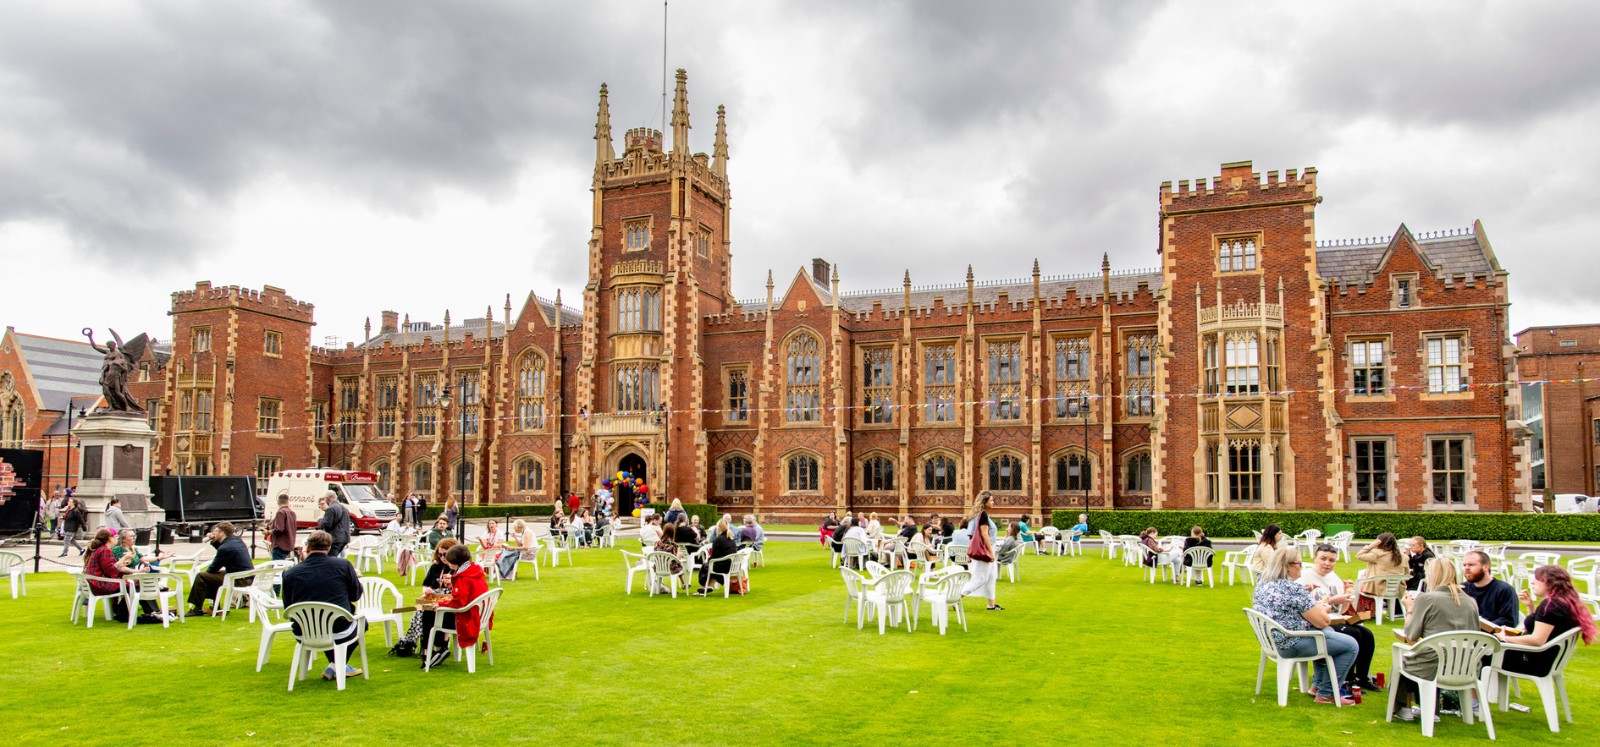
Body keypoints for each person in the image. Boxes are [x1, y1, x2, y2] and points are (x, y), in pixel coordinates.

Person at [1253, 545, 1359, 705]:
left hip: (1272, 641)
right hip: (1292, 643)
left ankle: (1317, 686)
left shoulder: (1263, 584)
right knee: (1350, 644)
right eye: (1299, 564)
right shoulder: (1293, 589)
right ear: (1287, 566)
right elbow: (1323, 620)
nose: (1301, 567)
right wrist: (1325, 606)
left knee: (1328, 632)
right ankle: (1327, 693)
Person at [1390, 558, 1480, 721]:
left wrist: (1410, 609)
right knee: (1431, 652)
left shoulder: (1427, 599)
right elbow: (1475, 635)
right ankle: (1429, 709)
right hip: (1465, 664)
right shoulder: (1470, 602)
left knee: (1408, 657)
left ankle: (1405, 707)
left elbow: (1410, 635)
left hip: (1434, 664)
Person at [280, 530, 364, 680]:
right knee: (361, 623)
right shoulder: (343, 565)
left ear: (307, 548)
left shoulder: (290, 573)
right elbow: (355, 595)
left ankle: (334, 666)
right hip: (337, 628)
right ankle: (337, 665)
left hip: (304, 629)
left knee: (329, 622)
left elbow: (288, 606)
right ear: (329, 547)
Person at [1302, 544, 1380, 693]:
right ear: (1315, 558)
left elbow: (1341, 610)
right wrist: (1331, 600)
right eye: (1323, 559)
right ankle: (1346, 679)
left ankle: (1362, 677)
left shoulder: (1334, 577)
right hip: (1318, 621)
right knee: (1353, 634)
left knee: (1367, 634)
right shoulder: (1306, 578)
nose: (1327, 563)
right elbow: (1308, 608)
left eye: (1331, 560)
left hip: (1335, 618)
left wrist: (1345, 596)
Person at [1495, 565, 1597, 677]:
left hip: (1535, 662)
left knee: (1481, 655)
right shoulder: (1563, 602)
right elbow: (1535, 629)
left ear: (1549, 583)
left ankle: (1483, 693)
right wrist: (1530, 607)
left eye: (1537, 580)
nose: (1532, 582)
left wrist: (1504, 638)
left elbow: (1538, 640)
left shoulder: (1550, 606)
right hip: (1547, 660)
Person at [426, 542, 490, 669]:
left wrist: (440, 603)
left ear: (454, 562)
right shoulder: (475, 570)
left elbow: (458, 602)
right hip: (481, 615)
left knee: (429, 614)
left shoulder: (463, 577)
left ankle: (437, 649)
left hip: (468, 617)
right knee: (435, 612)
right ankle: (438, 648)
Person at [393, 538, 460, 657]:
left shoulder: (457, 569)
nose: (442, 557)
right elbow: (425, 585)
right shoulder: (435, 567)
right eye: (440, 554)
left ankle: (430, 646)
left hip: (452, 604)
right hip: (435, 598)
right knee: (422, 611)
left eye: (445, 554)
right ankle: (427, 647)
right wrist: (427, 590)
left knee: (427, 612)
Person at [83, 528, 162, 624]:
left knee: (135, 584)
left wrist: (123, 563)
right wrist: (124, 559)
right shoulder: (105, 551)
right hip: (102, 585)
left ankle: (129, 613)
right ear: (109, 538)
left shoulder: (100, 549)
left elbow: (109, 568)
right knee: (137, 585)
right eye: (115, 536)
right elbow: (111, 570)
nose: (117, 538)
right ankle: (150, 612)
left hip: (97, 583)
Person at [186, 522, 253, 615]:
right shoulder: (237, 540)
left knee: (202, 576)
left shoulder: (226, 547)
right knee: (211, 577)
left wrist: (210, 573)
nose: (213, 533)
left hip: (239, 579)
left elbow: (212, 569)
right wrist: (214, 541)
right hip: (247, 576)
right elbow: (223, 549)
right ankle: (215, 606)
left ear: (222, 533)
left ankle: (197, 609)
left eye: (215, 531)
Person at [960, 493, 1002, 611]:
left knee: (991, 577)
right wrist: (991, 552)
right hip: (986, 550)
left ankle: (991, 604)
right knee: (981, 578)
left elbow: (970, 535)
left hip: (984, 548)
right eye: (991, 500)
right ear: (985, 502)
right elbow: (984, 535)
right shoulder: (982, 515)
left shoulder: (976, 515)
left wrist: (969, 552)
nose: (993, 503)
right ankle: (955, 597)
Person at [1461, 550, 1519, 629]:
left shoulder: (1504, 590)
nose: (1467, 568)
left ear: (1486, 567)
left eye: (1471, 565)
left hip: (1493, 637)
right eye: (1464, 565)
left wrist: (1481, 627)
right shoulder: (1462, 589)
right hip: (1463, 636)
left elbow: (1509, 621)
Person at [1355, 533, 1407, 606]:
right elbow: (1406, 573)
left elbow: (1359, 555)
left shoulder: (1378, 555)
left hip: (1379, 589)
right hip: (1398, 589)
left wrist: (1371, 546)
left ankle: (1366, 609)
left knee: (1359, 581)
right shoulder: (1404, 556)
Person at [696, 516, 740, 595]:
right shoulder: (731, 538)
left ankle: (704, 586)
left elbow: (713, 556)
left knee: (707, 565)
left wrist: (708, 562)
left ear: (718, 528)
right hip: (733, 565)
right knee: (711, 565)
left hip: (723, 566)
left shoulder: (718, 539)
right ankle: (709, 586)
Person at [317, 491, 352, 557]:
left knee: (331, 558)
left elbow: (327, 525)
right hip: (345, 538)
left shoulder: (331, 509)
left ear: (327, 498)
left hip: (335, 538)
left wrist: (320, 520)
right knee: (336, 557)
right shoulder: (344, 508)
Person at [267, 494, 298, 562]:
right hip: (289, 544)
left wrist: (269, 532)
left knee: (278, 568)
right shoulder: (292, 513)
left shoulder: (280, 512)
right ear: (287, 502)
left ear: (278, 502)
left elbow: (279, 529)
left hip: (280, 545)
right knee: (283, 567)